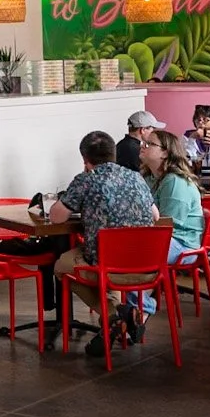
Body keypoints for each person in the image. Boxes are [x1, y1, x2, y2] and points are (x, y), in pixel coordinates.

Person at [50, 130, 160, 355]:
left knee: (62, 267)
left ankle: (113, 316)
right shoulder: (136, 177)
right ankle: (121, 316)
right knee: (98, 264)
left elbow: (56, 217)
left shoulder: (86, 180)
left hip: (107, 266)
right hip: (146, 266)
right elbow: (156, 216)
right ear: (114, 154)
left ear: (85, 159)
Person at [138, 130, 205, 328]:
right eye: (144, 142)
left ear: (165, 152)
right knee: (121, 254)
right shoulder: (149, 177)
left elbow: (167, 225)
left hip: (183, 243)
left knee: (134, 256)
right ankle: (132, 311)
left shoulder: (175, 181)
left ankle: (142, 309)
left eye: (150, 144)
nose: (143, 146)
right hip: (161, 238)